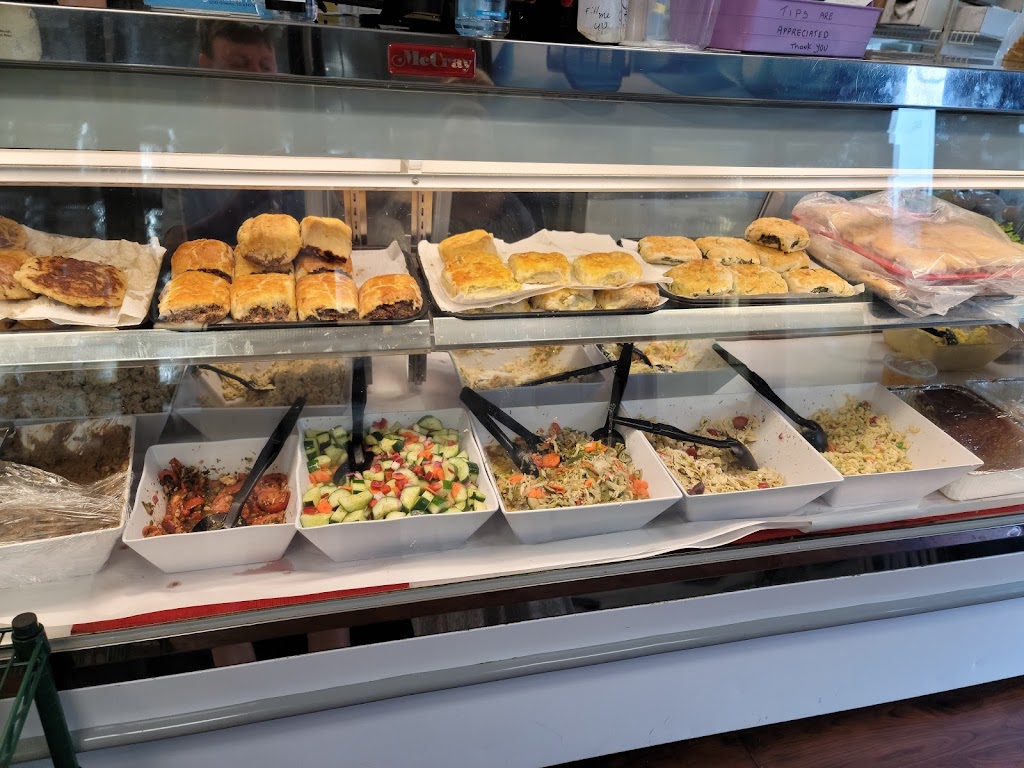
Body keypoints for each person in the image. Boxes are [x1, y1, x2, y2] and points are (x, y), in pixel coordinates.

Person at [162, 21, 303, 255]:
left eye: (266, 67)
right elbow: (172, 248)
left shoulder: (305, 160)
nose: (257, 82)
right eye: (239, 65)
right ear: (208, 73)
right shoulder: (188, 161)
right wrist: (237, 206)